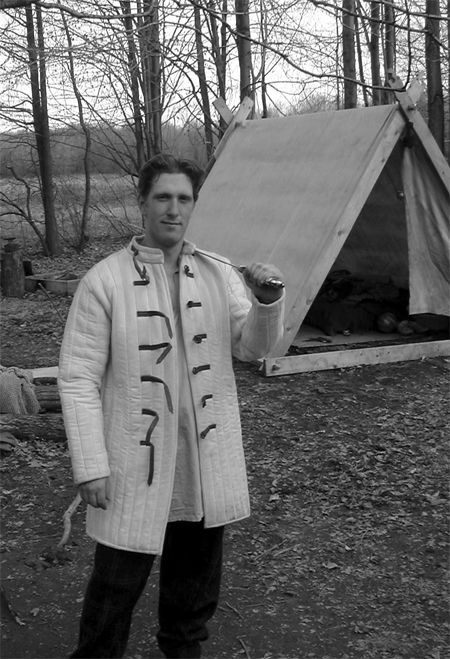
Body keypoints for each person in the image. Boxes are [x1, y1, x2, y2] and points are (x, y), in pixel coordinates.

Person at [58, 153, 285, 659]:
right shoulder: (104, 280)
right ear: (142, 203)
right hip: (132, 462)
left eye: (184, 198)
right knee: (115, 587)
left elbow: (252, 348)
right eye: (163, 196)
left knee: (193, 589)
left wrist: (267, 302)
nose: (173, 209)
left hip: (202, 459)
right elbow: (77, 379)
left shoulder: (219, 273)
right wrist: (91, 465)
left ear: (194, 204)